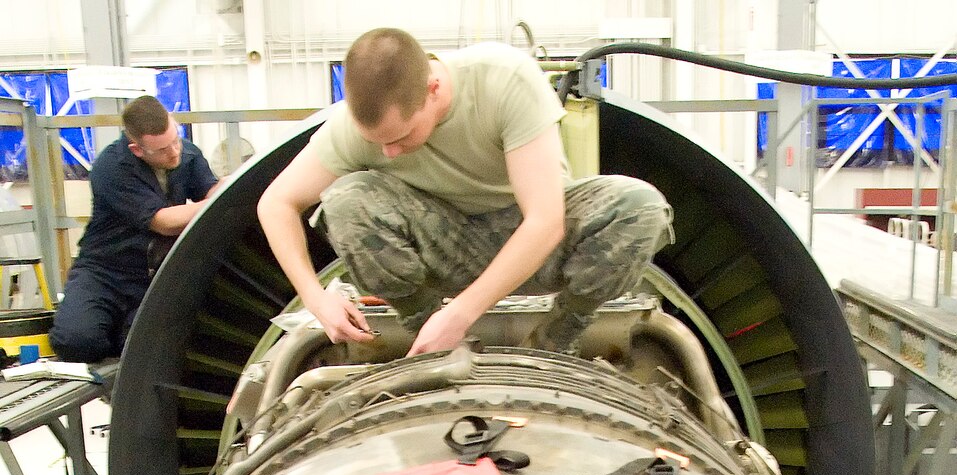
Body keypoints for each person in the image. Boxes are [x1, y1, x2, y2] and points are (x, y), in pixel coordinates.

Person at [257, 29, 672, 356]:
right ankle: (427, 332)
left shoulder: (504, 81)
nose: (388, 152)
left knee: (640, 207)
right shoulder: (354, 130)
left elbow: (545, 222)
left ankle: (557, 337)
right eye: (378, 143)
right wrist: (314, 298)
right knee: (346, 200)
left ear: (433, 88)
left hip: (536, 244)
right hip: (442, 244)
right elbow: (275, 203)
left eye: (401, 137)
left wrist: (462, 312)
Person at [51, 96, 218, 363]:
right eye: (163, 149)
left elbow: (213, 188)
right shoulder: (111, 168)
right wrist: (218, 202)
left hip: (151, 276)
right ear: (137, 149)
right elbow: (164, 222)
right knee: (78, 342)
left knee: (147, 350)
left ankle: (123, 333)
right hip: (104, 273)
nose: (174, 152)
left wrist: (228, 189)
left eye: (175, 140)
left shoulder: (186, 153)